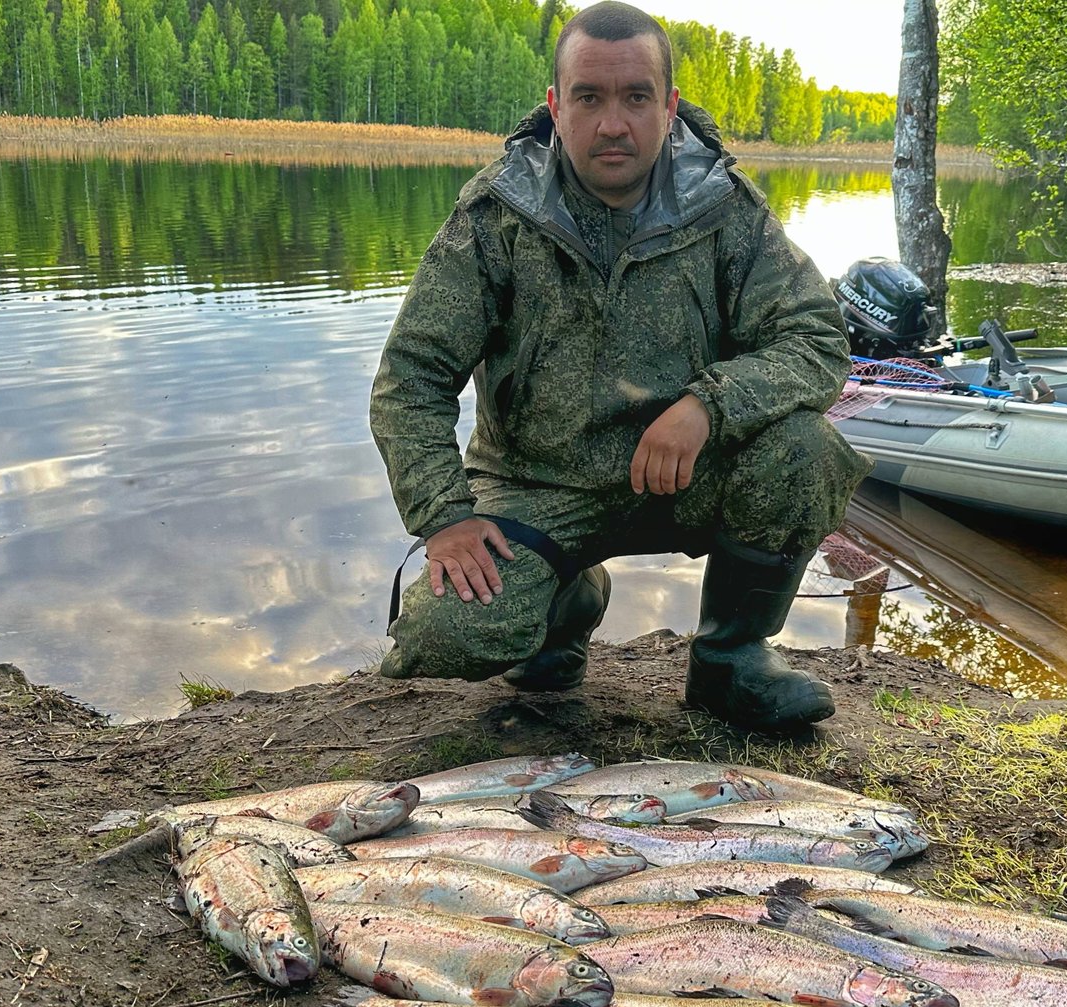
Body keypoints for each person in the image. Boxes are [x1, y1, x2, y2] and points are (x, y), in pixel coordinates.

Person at [368, 0, 869, 734]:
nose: (612, 123)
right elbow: (410, 379)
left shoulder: (725, 209)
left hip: (684, 475)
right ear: (555, 106)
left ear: (668, 108)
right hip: (538, 487)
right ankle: (564, 604)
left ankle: (730, 660)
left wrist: (709, 405)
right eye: (589, 97)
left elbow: (816, 339)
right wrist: (444, 518)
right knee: (448, 636)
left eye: (635, 98)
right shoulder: (493, 217)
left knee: (804, 449)